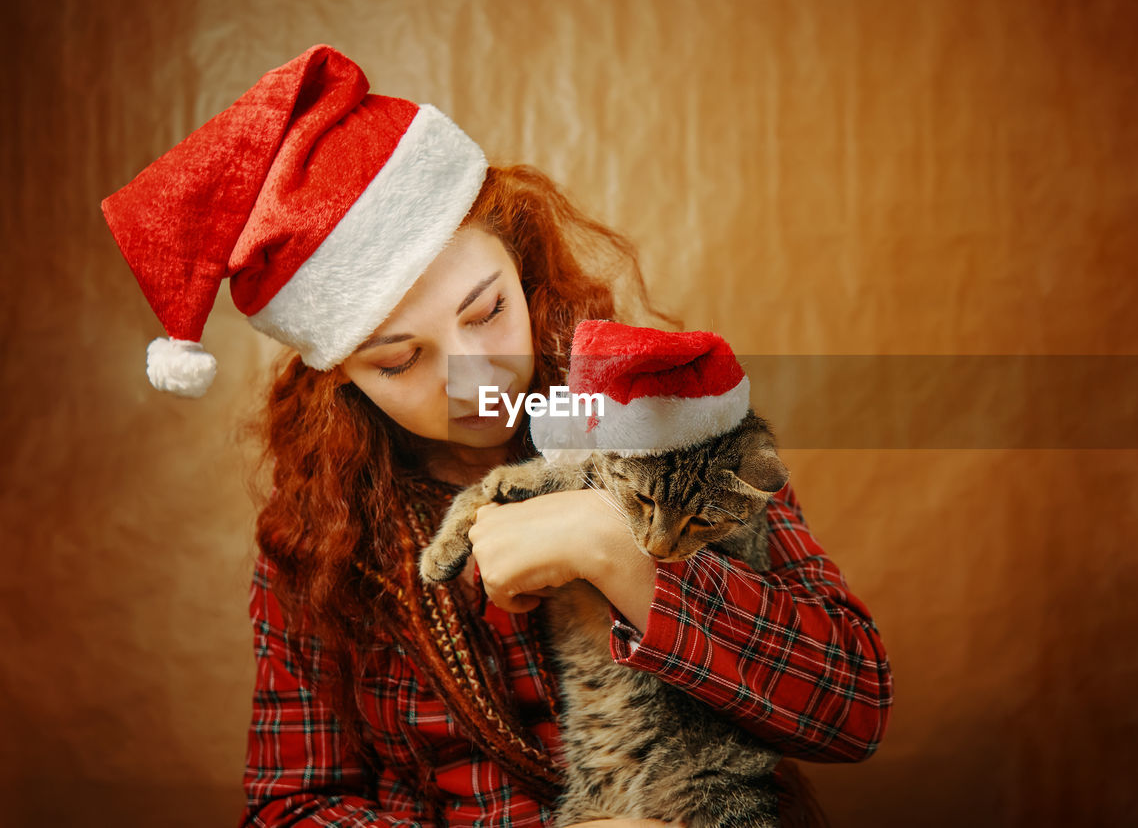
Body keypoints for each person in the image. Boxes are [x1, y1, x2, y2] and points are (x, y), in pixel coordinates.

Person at [101, 44, 893, 827]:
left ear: (522, 264)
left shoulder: (666, 402)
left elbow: (854, 705)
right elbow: (291, 804)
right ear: (341, 371)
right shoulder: (316, 534)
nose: (474, 380)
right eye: (401, 360)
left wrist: (616, 550)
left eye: (486, 313)